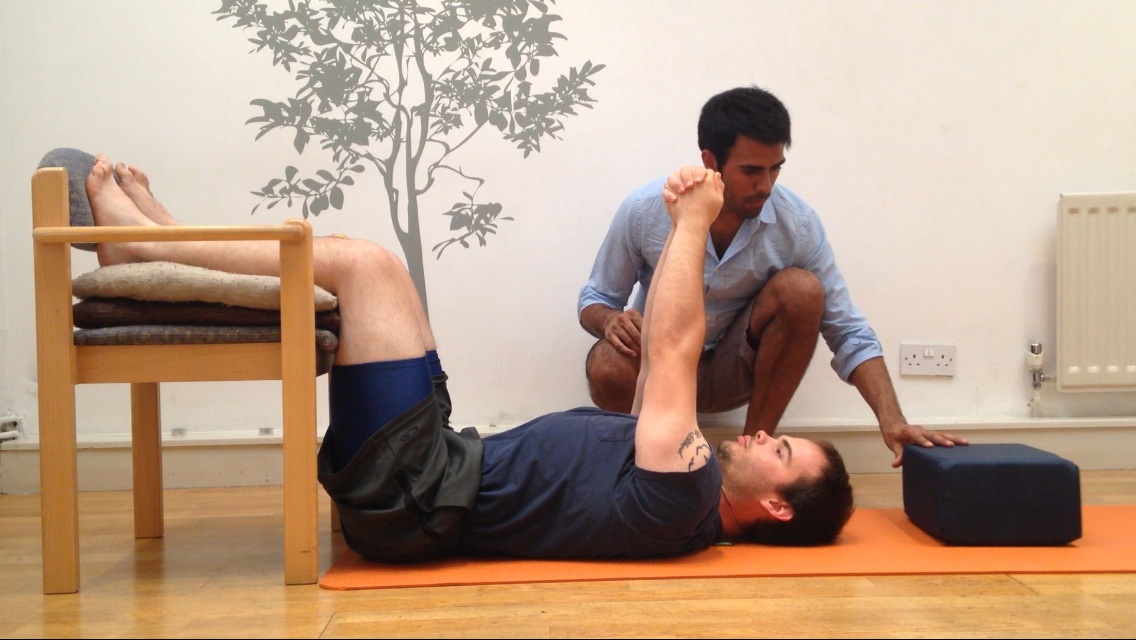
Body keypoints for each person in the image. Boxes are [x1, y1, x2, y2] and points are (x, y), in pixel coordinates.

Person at [84, 153, 853, 562]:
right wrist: (684, 217)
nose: (759, 434)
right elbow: (660, 356)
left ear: (776, 507)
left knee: (366, 268)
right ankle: (173, 234)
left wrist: (691, 226)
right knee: (381, 273)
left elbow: (679, 350)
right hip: (435, 466)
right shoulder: (683, 485)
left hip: (412, 497)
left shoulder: (684, 495)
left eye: (780, 450)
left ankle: (143, 246)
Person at [578, 86, 967, 468]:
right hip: (659, 364)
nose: (765, 185)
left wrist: (891, 420)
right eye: (751, 171)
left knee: (802, 291)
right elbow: (595, 298)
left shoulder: (795, 224)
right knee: (607, 364)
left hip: (734, 370)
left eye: (774, 168)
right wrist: (610, 319)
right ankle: (632, 462)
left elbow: (848, 330)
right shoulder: (646, 210)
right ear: (710, 160)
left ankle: (750, 461)